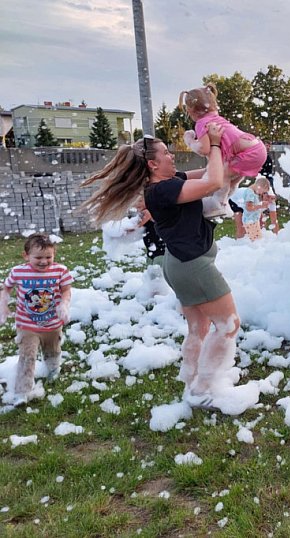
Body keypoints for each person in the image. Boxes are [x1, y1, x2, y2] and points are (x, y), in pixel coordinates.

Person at [82, 126, 252, 412]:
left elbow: (218, 174)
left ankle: (192, 381)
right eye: (166, 153)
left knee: (199, 327)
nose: (172, 156)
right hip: (192, 266)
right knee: (228, 325)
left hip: (180, 263)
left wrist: (236, 157)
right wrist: (211, 144)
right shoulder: (163, 189)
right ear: (153, 164)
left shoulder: (169, 182)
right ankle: (202, 389)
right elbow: (212, 183)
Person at [0, 234, 73, 406]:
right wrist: (3, 304)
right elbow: (6, 287)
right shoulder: (18, 272)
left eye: (48, 257)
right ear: (26, 256)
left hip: (53, 323)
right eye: (38, 257)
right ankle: (22, 392)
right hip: (27, 325)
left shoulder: (60, 270)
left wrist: (64, 304)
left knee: (53, 350)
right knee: (27, 357)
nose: (43, 261)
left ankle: (53, 369)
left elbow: (66, 290)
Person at [180, 83, 267, 219]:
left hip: (249, 152)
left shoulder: (202, 123)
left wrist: (189, 140)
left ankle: (218, 205)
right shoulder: (216, 118)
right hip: (257, 148)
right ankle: (224, 203)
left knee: (223, 175)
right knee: (231, 180)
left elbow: (204, 149)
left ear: (190, 111)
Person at [232, 177, 273, 241]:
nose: (262, 194)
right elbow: (249, 208)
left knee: (258, 230)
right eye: (263, 192)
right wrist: (260, 206)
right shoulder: (250, 194)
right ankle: (239, 245)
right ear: (259, 186)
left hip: (248, 211)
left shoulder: (255, 190)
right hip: (235, 202)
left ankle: (248, 243)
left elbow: (254, 205)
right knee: (243, 229)